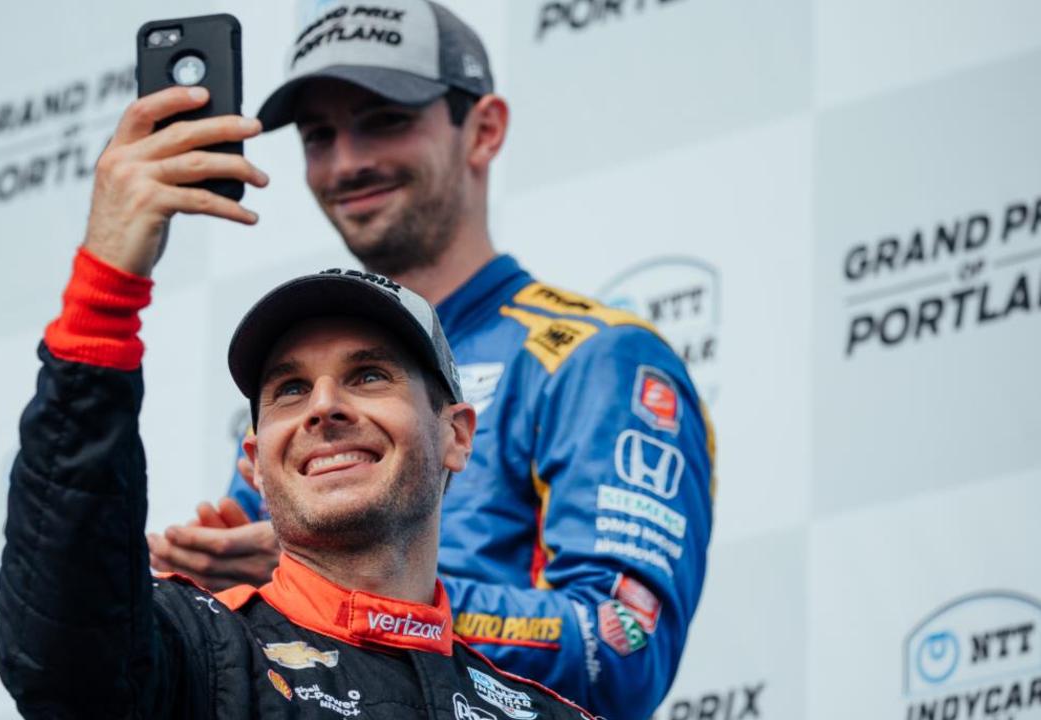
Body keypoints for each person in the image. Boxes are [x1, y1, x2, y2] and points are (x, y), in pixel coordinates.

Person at [146, 1, 716, 718]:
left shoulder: (595, 360)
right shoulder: (305, 395)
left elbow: (622, 646)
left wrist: (346, 587)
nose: (347, 162)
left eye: (384, 119)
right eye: (320, 135)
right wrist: (214, 589)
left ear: (483, 130)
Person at [0, 85, 596, 718]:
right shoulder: (198, 652)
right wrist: (106, 289)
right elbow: (62, 644)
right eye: (290, 389)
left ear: (458, 434)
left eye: (368, 376)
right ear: (255, 461)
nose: (324, 407)